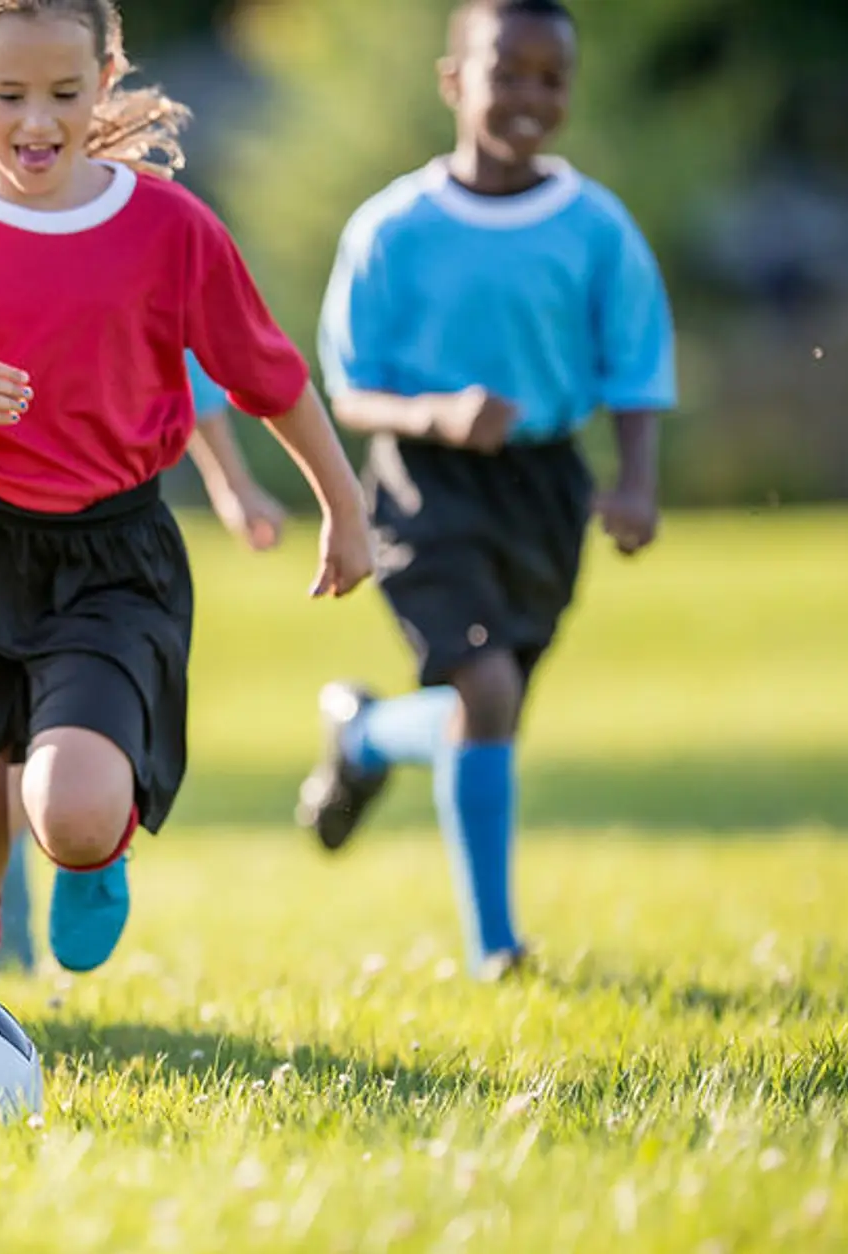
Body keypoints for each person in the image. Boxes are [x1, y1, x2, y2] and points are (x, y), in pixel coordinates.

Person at [0, 0, 373, 990]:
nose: (36, 121)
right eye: (8, 95)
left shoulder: (168, 228)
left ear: (106, 79)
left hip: (109, 562)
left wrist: (343, 506)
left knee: (72, 815)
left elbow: (267, 373)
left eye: (64, 92)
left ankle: (96, 847)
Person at [296, 0, 676, 979]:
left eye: (551, 78)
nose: (528, 97)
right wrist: (440, 415)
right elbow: (349, 389)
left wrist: (635, 483)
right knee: (486, 688)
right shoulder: (393, 228)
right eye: (506, 73)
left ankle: (365, 736)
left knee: (491, 710)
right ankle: (496, 948)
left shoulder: (594, 226)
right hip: (421, 483)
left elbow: (634, 362)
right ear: (452, 80)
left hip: (545, 487)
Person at [0, 359, 285, 974]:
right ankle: (4, 954)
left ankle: (87, 845)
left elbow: (180, 357)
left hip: (94, 543)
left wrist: (231, 481)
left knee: (47, 752)